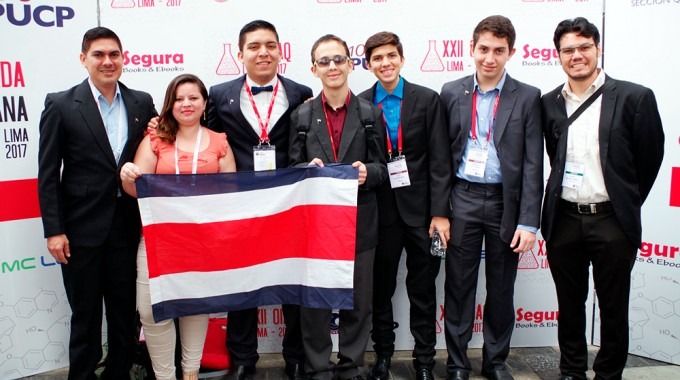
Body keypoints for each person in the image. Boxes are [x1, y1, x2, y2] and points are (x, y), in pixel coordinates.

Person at [542, 17, 664, 380]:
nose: (576, 56)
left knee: (613, 307)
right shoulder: (549, 103)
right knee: (569, 304)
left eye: (584, 47)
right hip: (563, 218)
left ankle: (608, 374)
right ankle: (571, 370)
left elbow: (649, 159)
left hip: (611, 220)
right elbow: (554, 156)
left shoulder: (633, 97)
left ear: (598, 49)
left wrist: (624, 202)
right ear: (558, 55)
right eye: (568, 50)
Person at [37, 26, 157, 379]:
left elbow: (152, 151)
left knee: (124, 316)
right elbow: (47, 175)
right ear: (83, 59)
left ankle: (118, 374)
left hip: (127, 227)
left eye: (114, 54)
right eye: (99, 55)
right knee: (85, 316)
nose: (108, 61)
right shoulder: (60, 104)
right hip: (79, 231)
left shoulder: (141, 102)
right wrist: (54, 231)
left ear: (123, 58)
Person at [206, 19, 314, 380]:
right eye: (254, 46)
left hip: (289, 204)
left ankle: (296, 358)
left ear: (281, 51)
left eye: (270, 45)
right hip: (240, 207)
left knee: (293, 282)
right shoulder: (218, 95)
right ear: (240, 54)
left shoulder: (301, 92)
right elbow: (202, 140)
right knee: (242, 284)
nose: (263, 52)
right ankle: (241, 359)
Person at [440, 15, 543, 380]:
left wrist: (529, 221)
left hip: (506, 203)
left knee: (501, 288)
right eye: (483, 49)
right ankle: (456, 363)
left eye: (499, 51)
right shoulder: (451, 92)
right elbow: (440, 158)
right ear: (471, 49)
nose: (490, 58)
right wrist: (440, 211)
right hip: (463, 198)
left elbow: (533, 164)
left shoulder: (528, 97)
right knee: (459, 285)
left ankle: (496, 362)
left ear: (511, 53)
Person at [120, 74, 236, 380]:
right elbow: (135, 189)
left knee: (196, 307)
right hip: (159, 239)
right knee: (150, 310)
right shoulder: (155, 140)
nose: (186, 104)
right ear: (170, 104)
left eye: (193, 98)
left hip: (202, 241)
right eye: (180, 98)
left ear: (204, 103)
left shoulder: (220, 142)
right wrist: (128, 175)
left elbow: (232, 192)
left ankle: (190, 372)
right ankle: (164, 375)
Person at [288, 33, 387, 380]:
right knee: (314, 302)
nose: (333, 67)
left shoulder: (369, 112)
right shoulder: (301, 115)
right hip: (315, 225)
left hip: (360, 219)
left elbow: (384, 167)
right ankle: (317, 367)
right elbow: (291, 166)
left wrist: (368, 172)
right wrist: (306, 171)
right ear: (314, 69)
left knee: (358, 301)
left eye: (339, 59)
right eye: (325, 61)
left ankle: (351, 365)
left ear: (350, 63)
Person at [357, 32, 451, 380]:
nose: (385, 63)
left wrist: (441, 212)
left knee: (423, 288)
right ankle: (383, 356)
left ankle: (424, 360)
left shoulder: (427, 100)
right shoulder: (362, 103)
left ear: (402, 58)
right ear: (368, 64)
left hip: (424, 213)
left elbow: (440, 159)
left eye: (391, 56)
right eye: (378, 58)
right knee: (380, 289)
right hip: (380, 212)